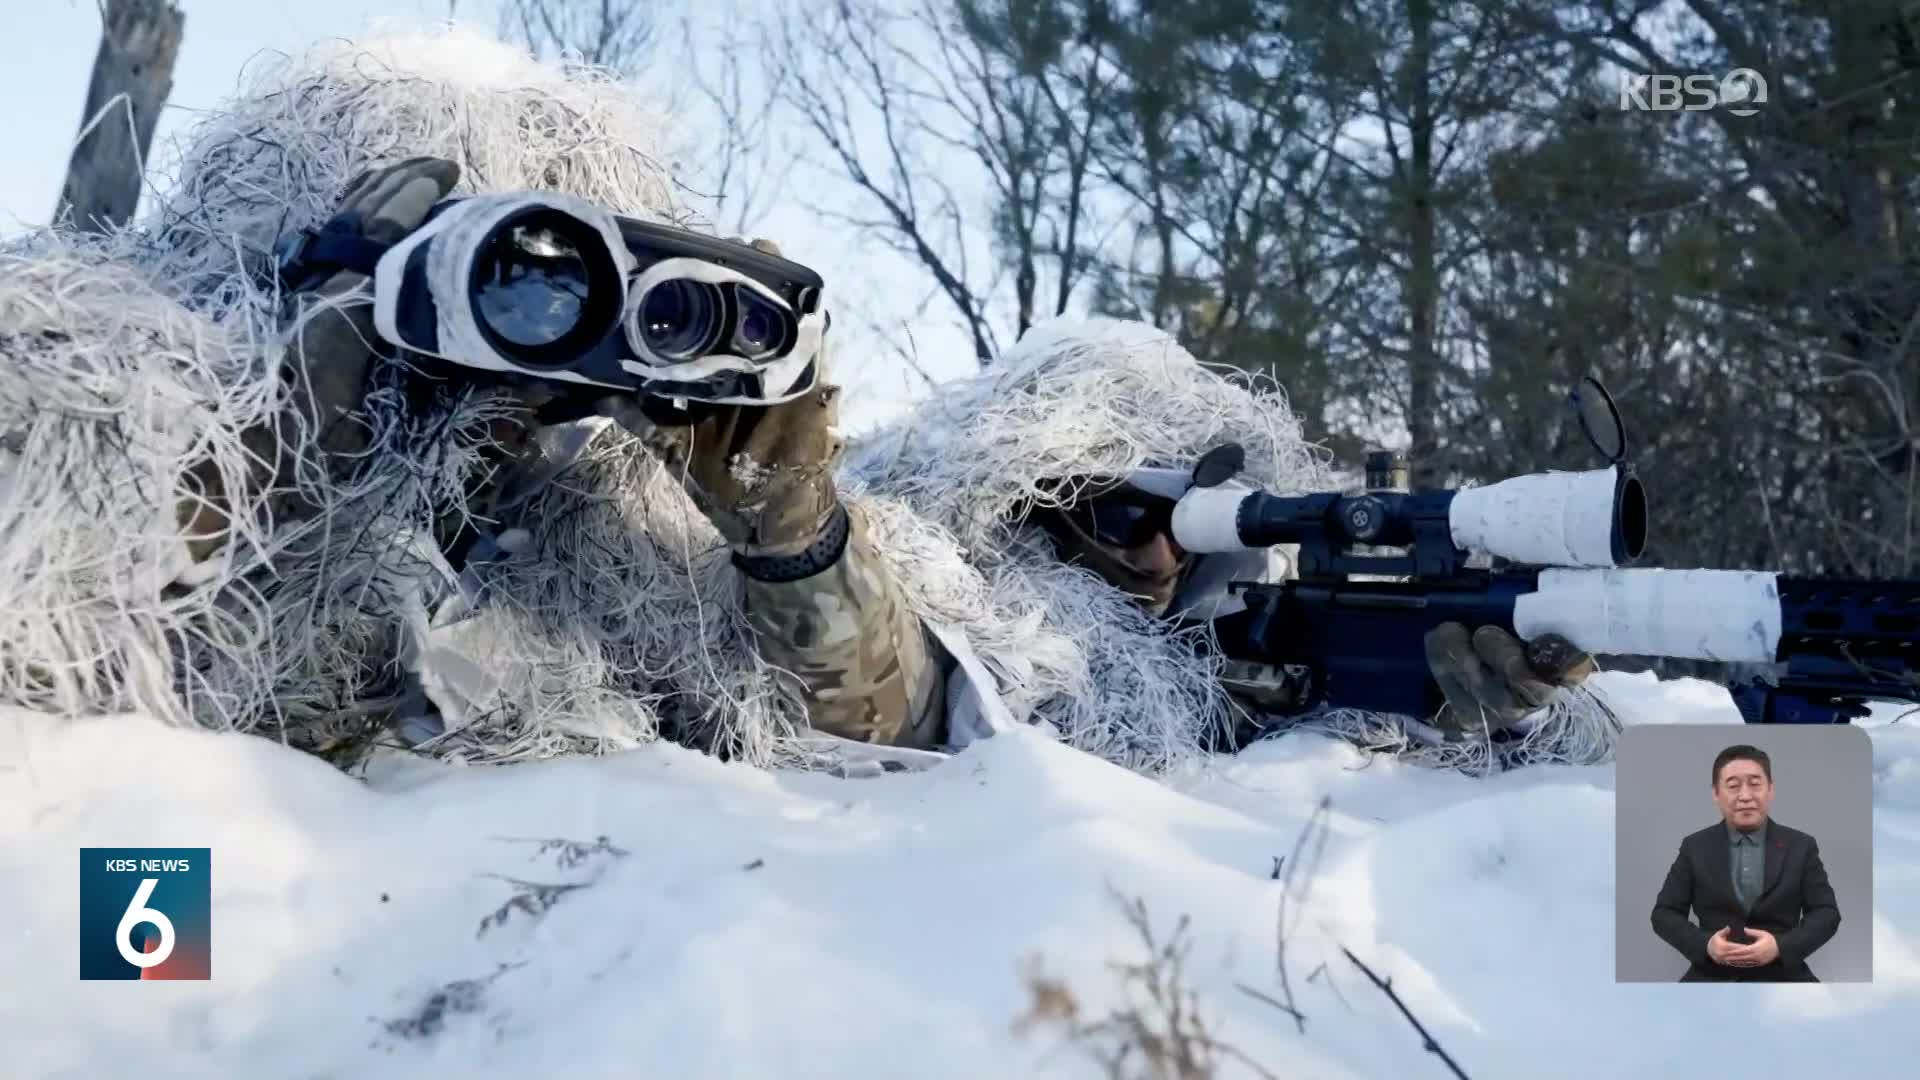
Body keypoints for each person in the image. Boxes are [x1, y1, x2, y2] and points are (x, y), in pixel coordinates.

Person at [0, 27, 1609, 778]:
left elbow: (916, 719)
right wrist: (306, 431)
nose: (558, 334)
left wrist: (789, 531)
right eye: (516, 266)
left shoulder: (620, 528)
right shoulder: (113, 399)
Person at [1650, 744, 1841, 982]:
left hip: (1783, 974)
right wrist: (1706, 945)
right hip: (1711, 974)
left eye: (1755, 784)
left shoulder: (1801, 846)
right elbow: (1664, 913)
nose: (1745, 796)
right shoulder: (1694, 847)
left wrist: (1780, 947)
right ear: (1716, 793)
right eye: (1732, 786)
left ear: (1770, 789)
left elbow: (1826, 913)